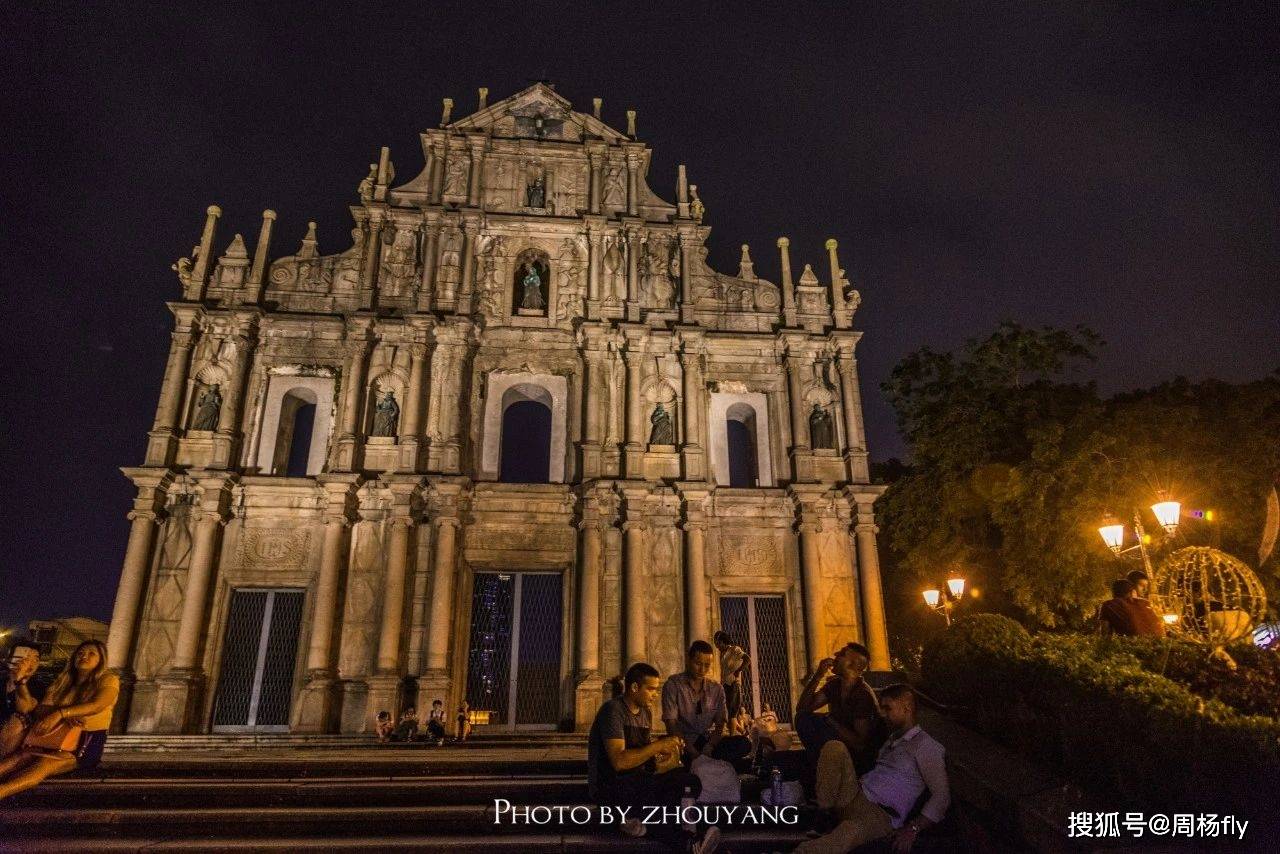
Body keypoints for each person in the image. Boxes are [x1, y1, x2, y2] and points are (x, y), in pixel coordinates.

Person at [796, 684, 950, 854]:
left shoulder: (925, 746)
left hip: (879, 814)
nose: (882, 714)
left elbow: (942, 796)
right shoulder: (892, 739)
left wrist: (913, 828)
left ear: (906, 707)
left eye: (887, 708)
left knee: (848, 834)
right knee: (835, 748)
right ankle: (823, 813)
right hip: (854, 794)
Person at [588, 661, 721, 853]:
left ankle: (643, 825)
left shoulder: (645, 713)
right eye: (651, 689)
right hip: (610, 786)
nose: (656, 694)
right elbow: (619, 761)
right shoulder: (612, 711)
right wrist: (658, 745)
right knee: (657, 797)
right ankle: (689, 841)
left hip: (637, 781)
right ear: (634, 687)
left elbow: (644, 755)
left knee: (688, 780)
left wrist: (666, 757)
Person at [0, 640, 119, 801]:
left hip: (84, 743)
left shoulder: (108, 679)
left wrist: (62, 713)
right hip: (52, 738)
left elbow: (98, 705)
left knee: (44, 765)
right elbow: (40, 709)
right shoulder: (63, 682)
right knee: (18, 758)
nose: (84, 656)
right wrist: (62, 714)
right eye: (80, 653)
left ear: (101, 660)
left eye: (92, 654)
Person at [795, 643, 883, 775]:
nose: (835, 655)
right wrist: (818, 675)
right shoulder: (835, 685)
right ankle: (819, 766)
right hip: (836, 747)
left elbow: (859, 744)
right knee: (803, 719)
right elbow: (803, 708)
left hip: (856, 760)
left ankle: (821, 770)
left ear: (854, 664)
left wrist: (831, 721)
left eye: (842, 654)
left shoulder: (862, 695)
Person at [662, 641, 752, 769]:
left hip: (708, 743)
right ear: (688, 660)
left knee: (744, 744)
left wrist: (709, 746)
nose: (702, 670)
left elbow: (720, 724)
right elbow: (671, 725)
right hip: (683, 744)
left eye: (707, 665)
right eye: (698, 664)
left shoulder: (716, 689)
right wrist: (693, 753)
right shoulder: (673, 685)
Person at [2, 639, 42, 759]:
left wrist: (20, 680)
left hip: (17, 735)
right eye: (26, 657)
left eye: (36, 658)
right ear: (10, 660)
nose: (31, 663)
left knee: (19, 719)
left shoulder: (37, 686)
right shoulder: (2, 680)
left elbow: (24, 708)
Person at [1099, 579, 1166, 638]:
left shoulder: (1108, 605)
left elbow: (1105, 633)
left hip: (1134, 646)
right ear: (1132, 592)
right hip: (1161, 644)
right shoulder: (1147, 603)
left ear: (1113, 593)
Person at [712, 631, 748, 724]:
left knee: (732, 712)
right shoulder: (723, 654)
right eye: (716, 644)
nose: (717, 646)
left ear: (723, 642)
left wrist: (738, 671)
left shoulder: (734, 649)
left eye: (718, 643)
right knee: (726, 710)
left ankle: (732, 736)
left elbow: (747, 659)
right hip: (725, 684)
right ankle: (743, 731)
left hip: (733, 683)